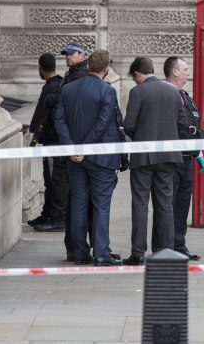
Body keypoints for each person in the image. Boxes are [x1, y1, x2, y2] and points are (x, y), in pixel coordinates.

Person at [54, 49, 124, 267]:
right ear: (106, 69)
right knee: (101, 205)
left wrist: (72, 148)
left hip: (75, 158)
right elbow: (103, 124)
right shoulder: (107, 90)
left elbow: (59, 120)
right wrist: (83, 147)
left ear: (88, 65)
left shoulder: (68, 89)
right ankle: (101, 252)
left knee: (78, 204)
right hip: (100, 158)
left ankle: (80, 252)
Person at [123, 57, 183, 266]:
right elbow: (181, 121)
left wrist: (140, 135)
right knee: (165, 204)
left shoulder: (137, 92)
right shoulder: (173, 92)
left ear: (138, 74)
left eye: (134, 78)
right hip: (168, 156)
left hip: (143, 156)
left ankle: (138, 253)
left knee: (140, 203)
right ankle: (165, 251)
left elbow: (128, 124)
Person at [158, 56, 204, 261]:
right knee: (167, 206)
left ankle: (179, 245)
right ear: (175, 72)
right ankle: (165, 247)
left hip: (188, 159)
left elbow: (191, 127)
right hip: (172, 160)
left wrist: (199, 153)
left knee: (182, 205)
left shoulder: (185, 96)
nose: (188, 72)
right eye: (185, 69)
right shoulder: (165, 95)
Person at [28, 53, 68, 232]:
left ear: (40, 67)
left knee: (54, 181)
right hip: (56, 140)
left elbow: (39, 117)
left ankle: (57, 218)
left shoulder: (50, 88)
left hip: (53, 142)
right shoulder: (60, 84)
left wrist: (34, 131)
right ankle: (47, 214)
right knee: (51, 180)